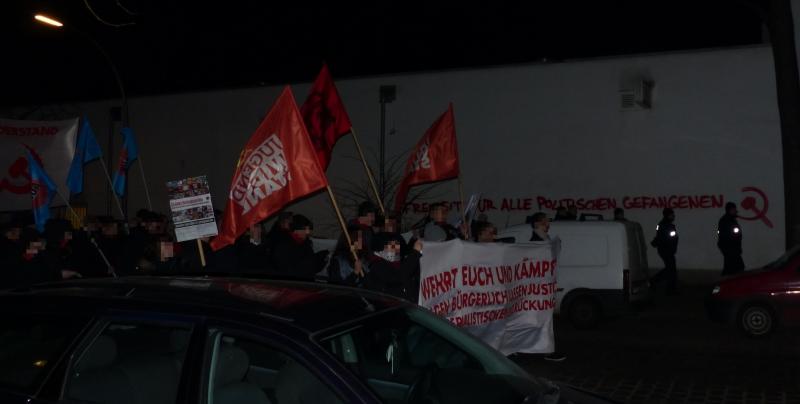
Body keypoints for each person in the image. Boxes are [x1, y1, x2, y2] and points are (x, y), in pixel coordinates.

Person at [526, 212, 566, 361]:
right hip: (539, 289)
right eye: (544, 223)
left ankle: (543, 348)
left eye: (548, 222)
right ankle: (544, 350)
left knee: (544, 321)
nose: (547, 225)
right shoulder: (535, 242)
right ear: (536, 224)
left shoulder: (545, 240)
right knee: (540, 321)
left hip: (545, 288)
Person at [365, 232, 422, 301]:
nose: (396, 251)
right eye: (392, 247)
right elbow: (399, 277)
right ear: (380, 250)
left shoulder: (393, 262)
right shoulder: (377, 267)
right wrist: (415, 254)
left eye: (396, 246)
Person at [270, 214, 329, 280]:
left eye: (308, 229)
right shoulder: (283, 246)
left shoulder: (305, 243)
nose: (308, 232)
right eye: (305, 229)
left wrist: (322, 259)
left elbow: (312, 268)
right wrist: (313, 261)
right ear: (296, 230)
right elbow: (289, 271)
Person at [651, 208, 679, 295]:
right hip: (667, 250)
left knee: (670, 269)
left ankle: (669, 288)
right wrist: (671, 248)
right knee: (671, 270)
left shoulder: (661, 224)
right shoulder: (666, 225)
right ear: (667, 215)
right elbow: (669, 238)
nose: (673, 216)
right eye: (672, 214)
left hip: (665, 250)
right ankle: (655, 281)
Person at [718, 202, 744, 276]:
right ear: (729, 210)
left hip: (731, 247)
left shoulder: (729, 219)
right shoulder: (726, 220)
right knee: (736, 266)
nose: (735, 211)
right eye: (733, 209)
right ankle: (725, 283)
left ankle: (725, 282)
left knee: (730, 266)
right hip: (730, 247)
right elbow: (727, 235)